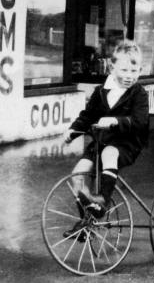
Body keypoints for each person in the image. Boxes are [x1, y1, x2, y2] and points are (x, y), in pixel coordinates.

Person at [63, 40, 149, 228]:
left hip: (125, 144)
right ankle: (86, 221)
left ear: (140, 71)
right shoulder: (101, 91)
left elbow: (140, 122)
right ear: (112, 68)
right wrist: (73, 131)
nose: (129, 76)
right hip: (101, 142)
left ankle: (102, 200)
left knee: (109, 153)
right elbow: (87, 116)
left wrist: (115, 121)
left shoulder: (139, 94)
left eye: (134, 72)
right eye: (124, 70)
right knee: (77, 173)